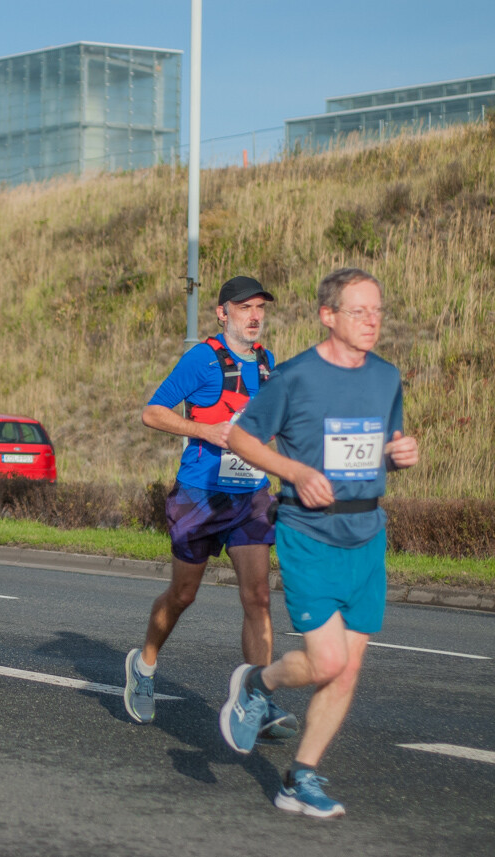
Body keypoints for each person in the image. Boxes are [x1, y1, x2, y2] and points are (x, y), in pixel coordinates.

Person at [218, 268, 418, 818]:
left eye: (377, 310)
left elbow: (380, 443)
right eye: (359, 311)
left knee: (348, 670)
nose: (372, 320)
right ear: (328, 316)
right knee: (326, 661)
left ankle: (300, 776)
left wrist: (398, 453)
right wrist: (295, 472)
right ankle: (257, 683)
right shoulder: (294, 377)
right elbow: (240, 437)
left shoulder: (386, 377)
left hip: (368, 534)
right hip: (309, 531)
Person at [124, 276, 296, 740]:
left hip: (250, 495)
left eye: (261, 307)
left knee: (258, 597)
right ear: (223, 313)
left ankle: (257, 699)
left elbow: (271, 426)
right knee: (183, 596)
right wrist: (206, 431)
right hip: (199, 495)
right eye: (245, 308)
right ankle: (144, 664)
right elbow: (152, 411)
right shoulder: (202, 358)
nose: (255, 316)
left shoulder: (267, 364)